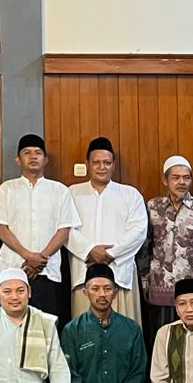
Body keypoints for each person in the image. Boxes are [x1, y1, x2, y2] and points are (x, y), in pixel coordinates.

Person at [61, 264, 149, 383]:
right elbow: (71, 376)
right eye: (95, 289)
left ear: (115, 292)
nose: (102, 294)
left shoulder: (132, 329)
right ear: (85, 292)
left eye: (107, 289)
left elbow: (138, 372)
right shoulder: (72, 330)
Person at [0, 134, 80, 321]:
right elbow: (2, 228)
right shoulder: (6, 189)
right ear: (18, 160)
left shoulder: (59, 190)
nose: (33, 156)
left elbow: (64, 229)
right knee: (12, 324)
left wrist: (41, 258)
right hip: (14, 267)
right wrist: (28, 256)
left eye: (38, 153)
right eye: (27, 153)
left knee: (46, 326)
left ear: (45, 160)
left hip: (47, 270)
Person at [67, 137, 147, 322]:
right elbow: (65, 230)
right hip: (84, 272)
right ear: (88, 163)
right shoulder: (71, 193)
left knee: (124, 329)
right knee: (85, 330)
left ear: (114, 164)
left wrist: (110, 254)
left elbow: (138, 231)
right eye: (96, 162)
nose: (102, 167)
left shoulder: (130, 194)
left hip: (120, 273)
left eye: (107, 163)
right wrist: (90, 250)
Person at [141, 156, 193, 350]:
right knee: (162, 342)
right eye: (176, 177)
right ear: (165, 180)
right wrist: (143, 280)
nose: (182, 182)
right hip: (160, 287)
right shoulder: (153, 207)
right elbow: (145, 247)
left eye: (186, 177)